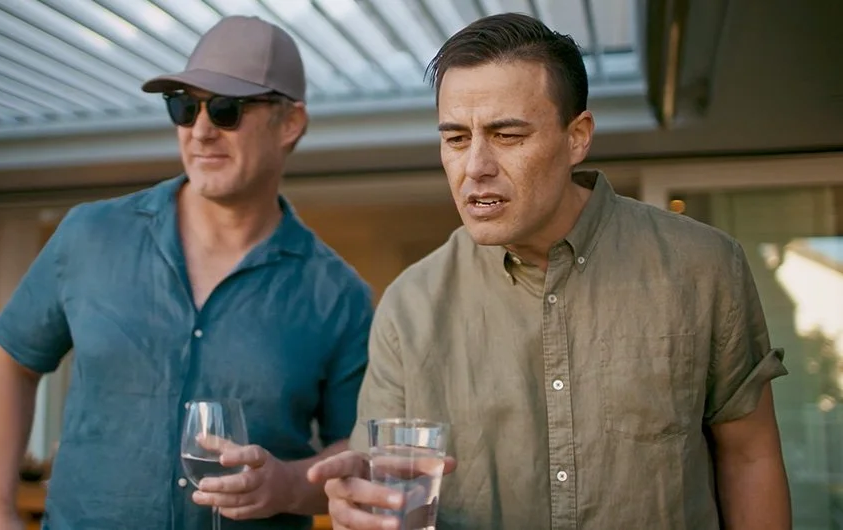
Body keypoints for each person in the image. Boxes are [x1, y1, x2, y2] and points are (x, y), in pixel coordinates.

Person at [308, 12, 792, 530]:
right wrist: (357, 505)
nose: (475, 166)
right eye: (456, 139)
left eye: (507, 134)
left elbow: (750, 458)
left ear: (577, 136)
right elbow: (379, 491)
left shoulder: (702, 266)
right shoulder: (410, 305)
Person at [0, 15, 373, 530]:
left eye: (226, 109)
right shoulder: (90, 235)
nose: (201, 130)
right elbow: (9, 362)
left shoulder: (338, 294)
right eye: (184, 107)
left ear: (290, 123)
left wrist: (290, 485)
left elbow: (357, 448)